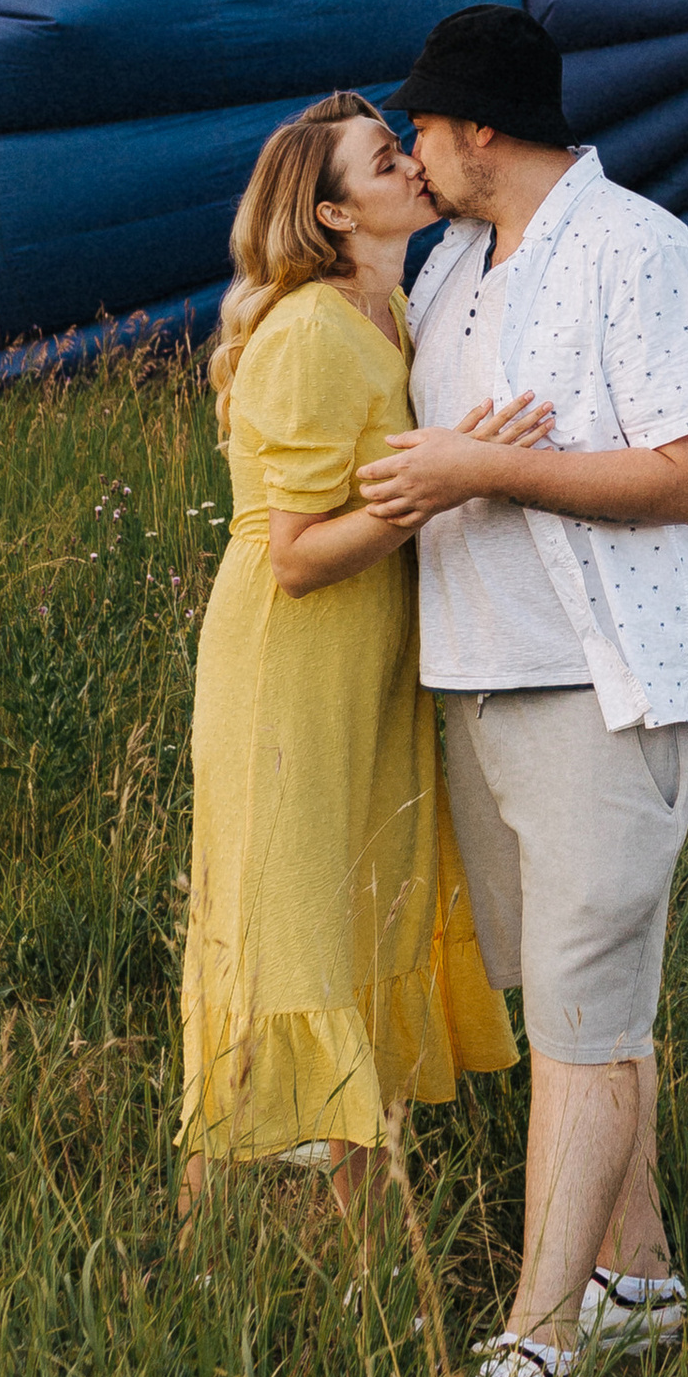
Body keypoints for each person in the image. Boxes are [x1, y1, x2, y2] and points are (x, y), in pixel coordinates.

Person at [356, 6, 688, 1377]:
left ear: (483, 128)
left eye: (424, 127)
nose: (412, 152)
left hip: (605, 683)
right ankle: (639, 1282)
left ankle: (539, 1343)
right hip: (477, 676)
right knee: (573, 1015)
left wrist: (486, 471)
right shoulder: (453, 267)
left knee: (587, 1016)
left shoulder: (639, 251)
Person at [178, 91, 540, 1238]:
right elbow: (292, 557)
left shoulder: (397, 311)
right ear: (334, 213)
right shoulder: (306, 334)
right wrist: (449, 478)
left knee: (359, 915)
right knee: (286, 928)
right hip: (288, 666)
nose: (412, 168)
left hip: (371, 658)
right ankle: (203, 1241)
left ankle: (356, 1252)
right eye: (386, 161)